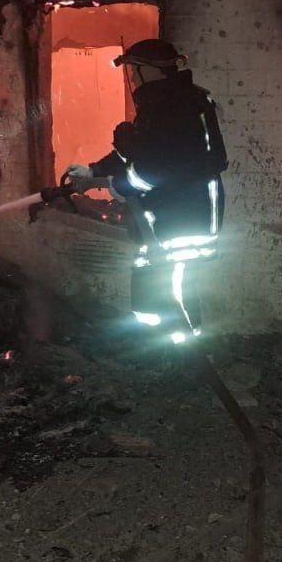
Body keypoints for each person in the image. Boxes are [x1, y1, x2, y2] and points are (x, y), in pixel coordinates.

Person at [66, 39, 228, 345]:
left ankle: (186, 355)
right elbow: (139, 152)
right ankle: (155, 347)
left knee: (173, 289)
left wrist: (116, 186)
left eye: (134, 70)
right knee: (148, 285)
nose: (131, 78)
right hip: (167, 217)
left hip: (185, 217)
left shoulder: (176, 107)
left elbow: (156, 169)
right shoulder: (162, 104)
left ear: (151, 71)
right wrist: (93, 171)